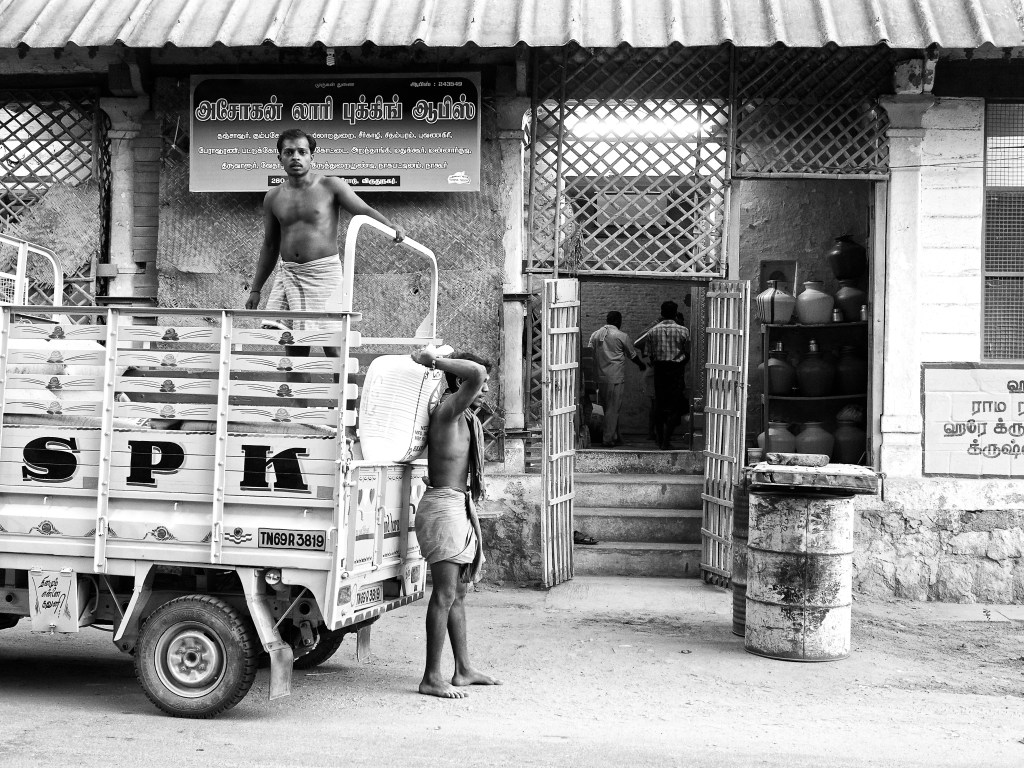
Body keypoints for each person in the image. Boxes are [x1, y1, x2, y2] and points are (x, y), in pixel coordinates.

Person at [245, 128, 405, 356]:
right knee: (294, 349)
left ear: (312, 156)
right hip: (290, 276)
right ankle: (298, 393)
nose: (296, 157)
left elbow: (363, 210)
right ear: (279, 157)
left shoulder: (331, 186)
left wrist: (390, 225)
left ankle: (344, 393)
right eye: (289, 152)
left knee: (334, 349)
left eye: (302, 152)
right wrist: (256, 289)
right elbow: (270, 245)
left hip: (325, 275)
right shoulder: (273, 197)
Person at [409, 346, 503, 699]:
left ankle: (462, 669)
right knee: (445, 593)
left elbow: (476, 375)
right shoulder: (447, 411)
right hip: (443, 508)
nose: (487, 388)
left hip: (456, 506)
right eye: (484, 381)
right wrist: (431, 361)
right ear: (463, 380)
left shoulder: (463, 416)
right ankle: (431, 677)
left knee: (457, 593)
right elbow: (476, 374)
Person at [636, 300, 690, 450]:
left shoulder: (653, 331)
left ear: (661, 313)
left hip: (659, 370)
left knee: (659, 405)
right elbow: (688, 352)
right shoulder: (683, 330)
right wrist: (680, 363)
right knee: (675, 406)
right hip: (676, 370)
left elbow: (649, 354)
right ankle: (666, 440)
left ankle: (659, 440)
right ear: (674, 313)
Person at [587, 310, 646, 448]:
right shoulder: (621, 336)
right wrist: (642, 365)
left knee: (607, 409)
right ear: (618, 321)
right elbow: (632, 355)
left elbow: (589, 353)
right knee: (613, 410)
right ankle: (608, 439)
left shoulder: (595, 335)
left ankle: (615, 436)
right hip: (615, 377)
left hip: (599, 378)